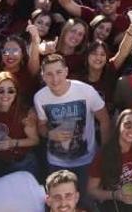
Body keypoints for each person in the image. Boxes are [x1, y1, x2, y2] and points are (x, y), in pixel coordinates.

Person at [34, 54, 110, 184]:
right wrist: (49, 133)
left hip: (87, 160)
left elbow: (104, 120)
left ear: (66, 72)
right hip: (56, 162)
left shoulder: (86, 91)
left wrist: (104, 153)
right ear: (43, 76)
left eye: (59, 72)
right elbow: (41, 126)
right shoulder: (40, 97)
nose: (55, 79)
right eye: (49, 74)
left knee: (86, 202)